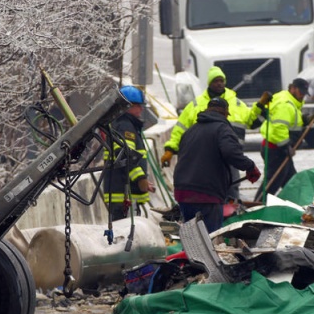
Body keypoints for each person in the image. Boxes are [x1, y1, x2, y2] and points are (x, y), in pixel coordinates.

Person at [160, 66, 255, 199]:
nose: (219, 83)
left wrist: (260, 107)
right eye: (216, 80)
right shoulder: (195, 104)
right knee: (210, 188)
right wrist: (170, 149)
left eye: (221, 80)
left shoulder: (237, 103)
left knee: (231, 188)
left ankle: (230, 212)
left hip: (231, 156)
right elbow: (180, 129)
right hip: (207, 157)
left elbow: (252, 120)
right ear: (209, 83)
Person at [173, 98, 261, 233]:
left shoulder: (190, 131)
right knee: (211, 237)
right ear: (226, 114)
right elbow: (231, 152)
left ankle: (191, 254)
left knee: (192, 237)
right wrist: (250, 166)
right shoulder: (222, 128)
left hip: (183, 191)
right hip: (206, 193)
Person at [102, 85, 154, 220]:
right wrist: (140, 178)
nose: (141, 109)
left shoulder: (125, 125)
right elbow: (125, 155)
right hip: (122, 193)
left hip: (124, 192)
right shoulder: (125, 126)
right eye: (138, 105)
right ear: (128, 106)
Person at [252, 78, 309, 195]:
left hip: (278, 149)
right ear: (292, 88)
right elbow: (279, 127)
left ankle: (296, 206)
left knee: (292, 182)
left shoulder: (288, 100)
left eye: (304, 92)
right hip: (276, 150)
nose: (302, 95)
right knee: (272, 183)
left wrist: (304, 120)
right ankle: (257, 207)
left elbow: (289, 121)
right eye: (301, 91)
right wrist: (286, 146)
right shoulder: (286, 104)